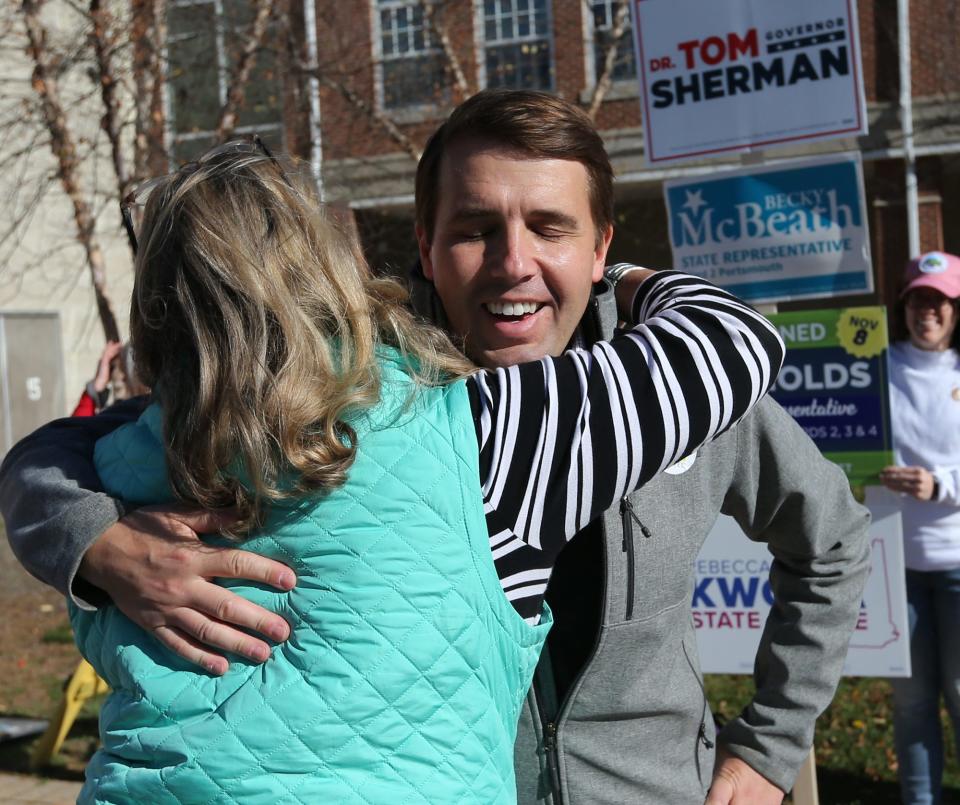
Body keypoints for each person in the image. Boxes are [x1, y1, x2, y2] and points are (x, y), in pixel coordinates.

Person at [0, 91, 868, 804]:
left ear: (603, 247)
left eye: (551, 228)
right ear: (424, 242)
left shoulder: (691, 400)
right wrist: (97, 541)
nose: (514, 261)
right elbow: (50, 458)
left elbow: (832, 540)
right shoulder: (340, 399)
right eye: (477, 227)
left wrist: (767, 747)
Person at [879, 251, 960, 805]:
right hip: (893, 564)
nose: (926, 311)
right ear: (904, 308)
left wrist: (943, 484)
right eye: (917, 300)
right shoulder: (874, 367)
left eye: (938, 300)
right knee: (910, 702)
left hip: (957, 563)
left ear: (954, 310)